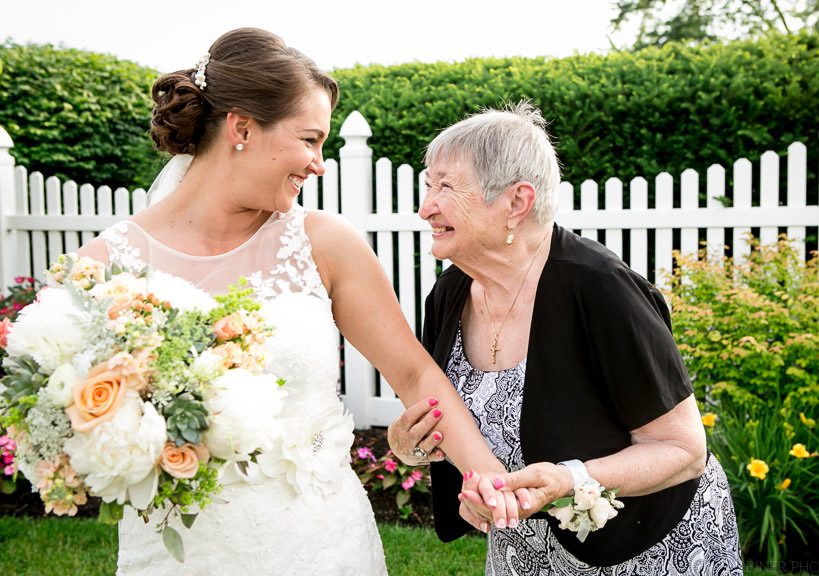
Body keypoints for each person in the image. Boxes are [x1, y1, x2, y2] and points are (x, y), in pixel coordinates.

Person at [77, 27, 517, 575]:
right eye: (309, 139)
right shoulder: (105, 263)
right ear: (241, 127)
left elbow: (415, 375)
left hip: (320, 544)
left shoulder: (324, 243)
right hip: (176, 552)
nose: (319, 162)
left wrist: (492, 481)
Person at [387, 102, 743, 574]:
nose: (425, 206)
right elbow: (443, 426)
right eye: (428, 184)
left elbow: (683, 451)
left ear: (517, 202)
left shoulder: (601, 289)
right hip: (524, 552)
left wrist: (569, 480)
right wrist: (409, 446)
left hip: (644, 546)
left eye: (447, 186)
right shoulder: (449, 293)